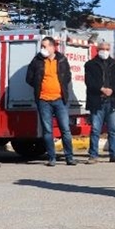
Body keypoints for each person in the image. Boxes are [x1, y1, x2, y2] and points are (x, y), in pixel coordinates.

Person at [25, 36, 77, 166]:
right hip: (43, 100)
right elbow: (29, 78)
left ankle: (69, 157)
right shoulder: (37, 60)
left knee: (65, 129)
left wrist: (60, 88)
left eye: (45, 46)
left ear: (53, 47)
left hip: (60, 100)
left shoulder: (62, 60)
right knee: (48, 130)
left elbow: (67, 76)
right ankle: (51, 158)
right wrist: (39, 86)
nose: (42, 49)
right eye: (41, 46)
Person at [84, 41, 115, 164]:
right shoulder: (90, 65)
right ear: (97, 50)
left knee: (113, 129)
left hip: (112, 101)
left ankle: (114, 155)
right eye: (102, 49)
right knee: (95, 129)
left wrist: (112, 90)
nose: (104, 51)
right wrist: (101, 89)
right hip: (97, 101)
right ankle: (93, 155)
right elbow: (89, 82)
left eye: (107, 49)